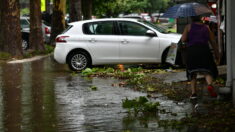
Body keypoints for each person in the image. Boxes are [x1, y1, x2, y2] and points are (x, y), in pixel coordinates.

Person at [181, 16, 220, 99]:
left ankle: (194, 93)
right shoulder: (206, 27)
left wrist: (189, 38)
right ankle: (209, 85)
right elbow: (212, 41)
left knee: (193, 73)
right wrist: (217, 54)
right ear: (200, 18)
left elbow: (183, 39)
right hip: (204, 50)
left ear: (191, 18)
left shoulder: (188, 26)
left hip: (192, 51)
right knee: (207, 70)